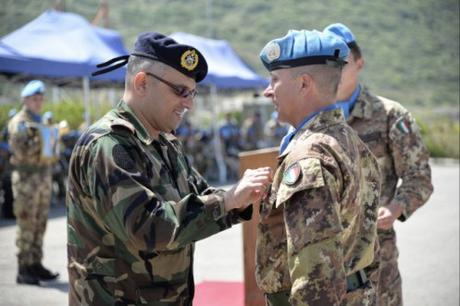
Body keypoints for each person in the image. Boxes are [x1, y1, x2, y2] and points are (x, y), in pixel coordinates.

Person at [66, 32, 272, 306]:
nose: (189, 103)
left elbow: (202, 196)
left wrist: (243, 197)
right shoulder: (107, 145)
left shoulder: (164, 143)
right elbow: (148, 227)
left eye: (193, 93)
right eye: (180, 91)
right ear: (142, 83)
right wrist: (228, 200)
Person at [255, 29, 381, 305]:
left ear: (303, 84)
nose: (267, 91)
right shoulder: (349, 140)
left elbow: (316, 275)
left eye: (274, 79)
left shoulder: (309, 155)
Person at [324, 23, 434, 306]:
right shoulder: (312, 120)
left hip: (376, 262)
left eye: (342, 63)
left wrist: (396, 207)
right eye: (329, 64)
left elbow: (418, 176)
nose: (335, 72)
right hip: (324, 261)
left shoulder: (389, 115)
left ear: (359, 63)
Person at [8, 80, 59, 285]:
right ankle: (23, 269)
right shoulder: (20, 122)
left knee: (40, 224)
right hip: (27, 180)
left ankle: (35, 264)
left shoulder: (42, 122)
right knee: (27, 224)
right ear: (25, 100)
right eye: (34, 99)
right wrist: (42, 138)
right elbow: (22, 152)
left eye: (40, 99)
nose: (39, 102)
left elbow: (51, 152)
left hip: (43, 178)